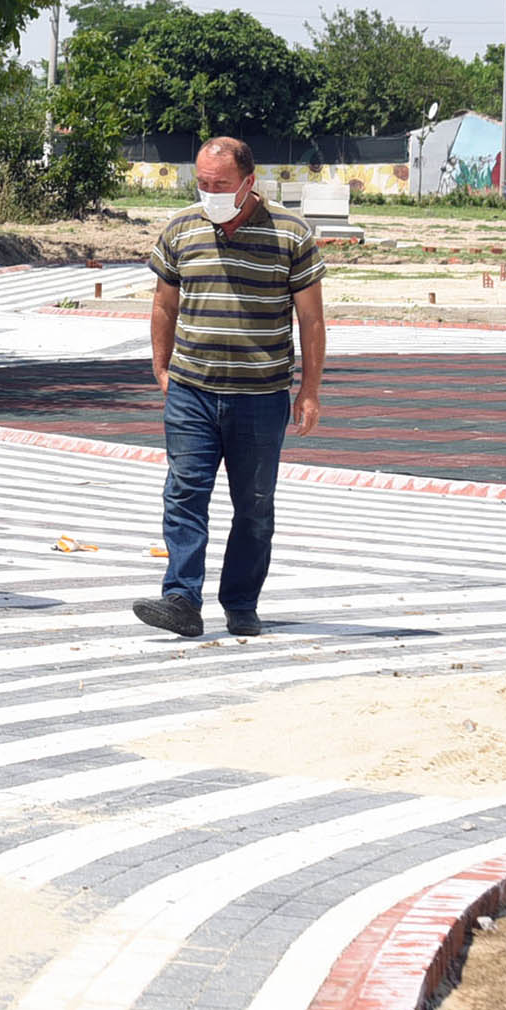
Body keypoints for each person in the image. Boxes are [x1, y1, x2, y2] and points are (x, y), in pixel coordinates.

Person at [135, 135, 328, 639]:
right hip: (192, 392)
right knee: (183, 494)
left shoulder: (291, 234)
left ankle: (241, 602)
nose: (209, 192)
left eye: (219, 184)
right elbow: (163, 303)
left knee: (255, 505)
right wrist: (162, 366)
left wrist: (309, 390)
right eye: (201, 183)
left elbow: (310, 320)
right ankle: (181, 599)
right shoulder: (180, 229)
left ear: (248, 181)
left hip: (261, 397)